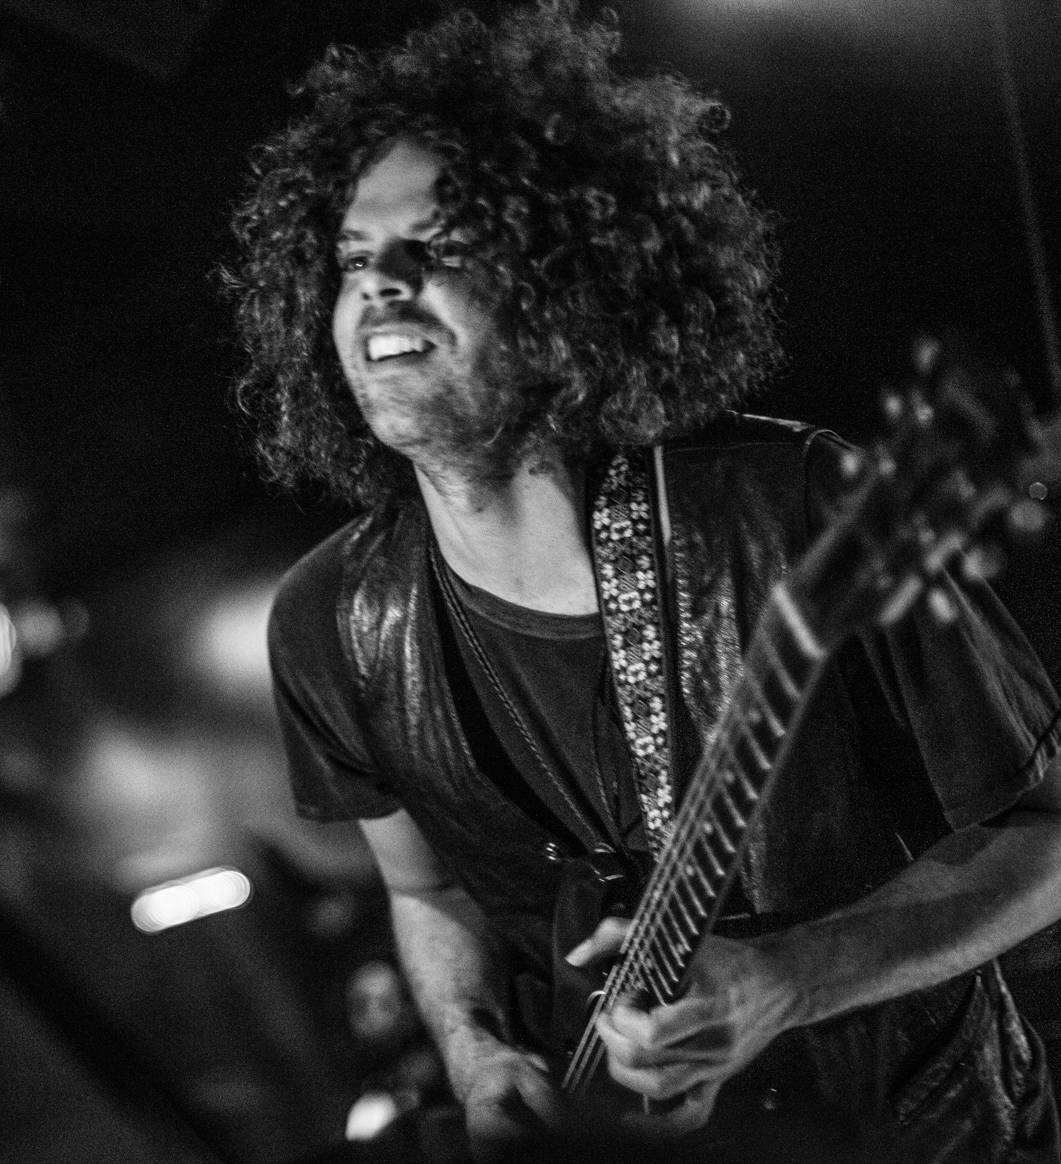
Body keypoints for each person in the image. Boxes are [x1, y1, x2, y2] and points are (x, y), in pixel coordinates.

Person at [229, 4, 1061, 1160]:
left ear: (567, 284)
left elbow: (1047, 836)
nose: (382, 284)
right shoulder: (331, 623)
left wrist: (789, 979)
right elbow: (428, 894)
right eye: (355, 260)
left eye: (443, 245)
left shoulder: (791, 506)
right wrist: (476, 1056)